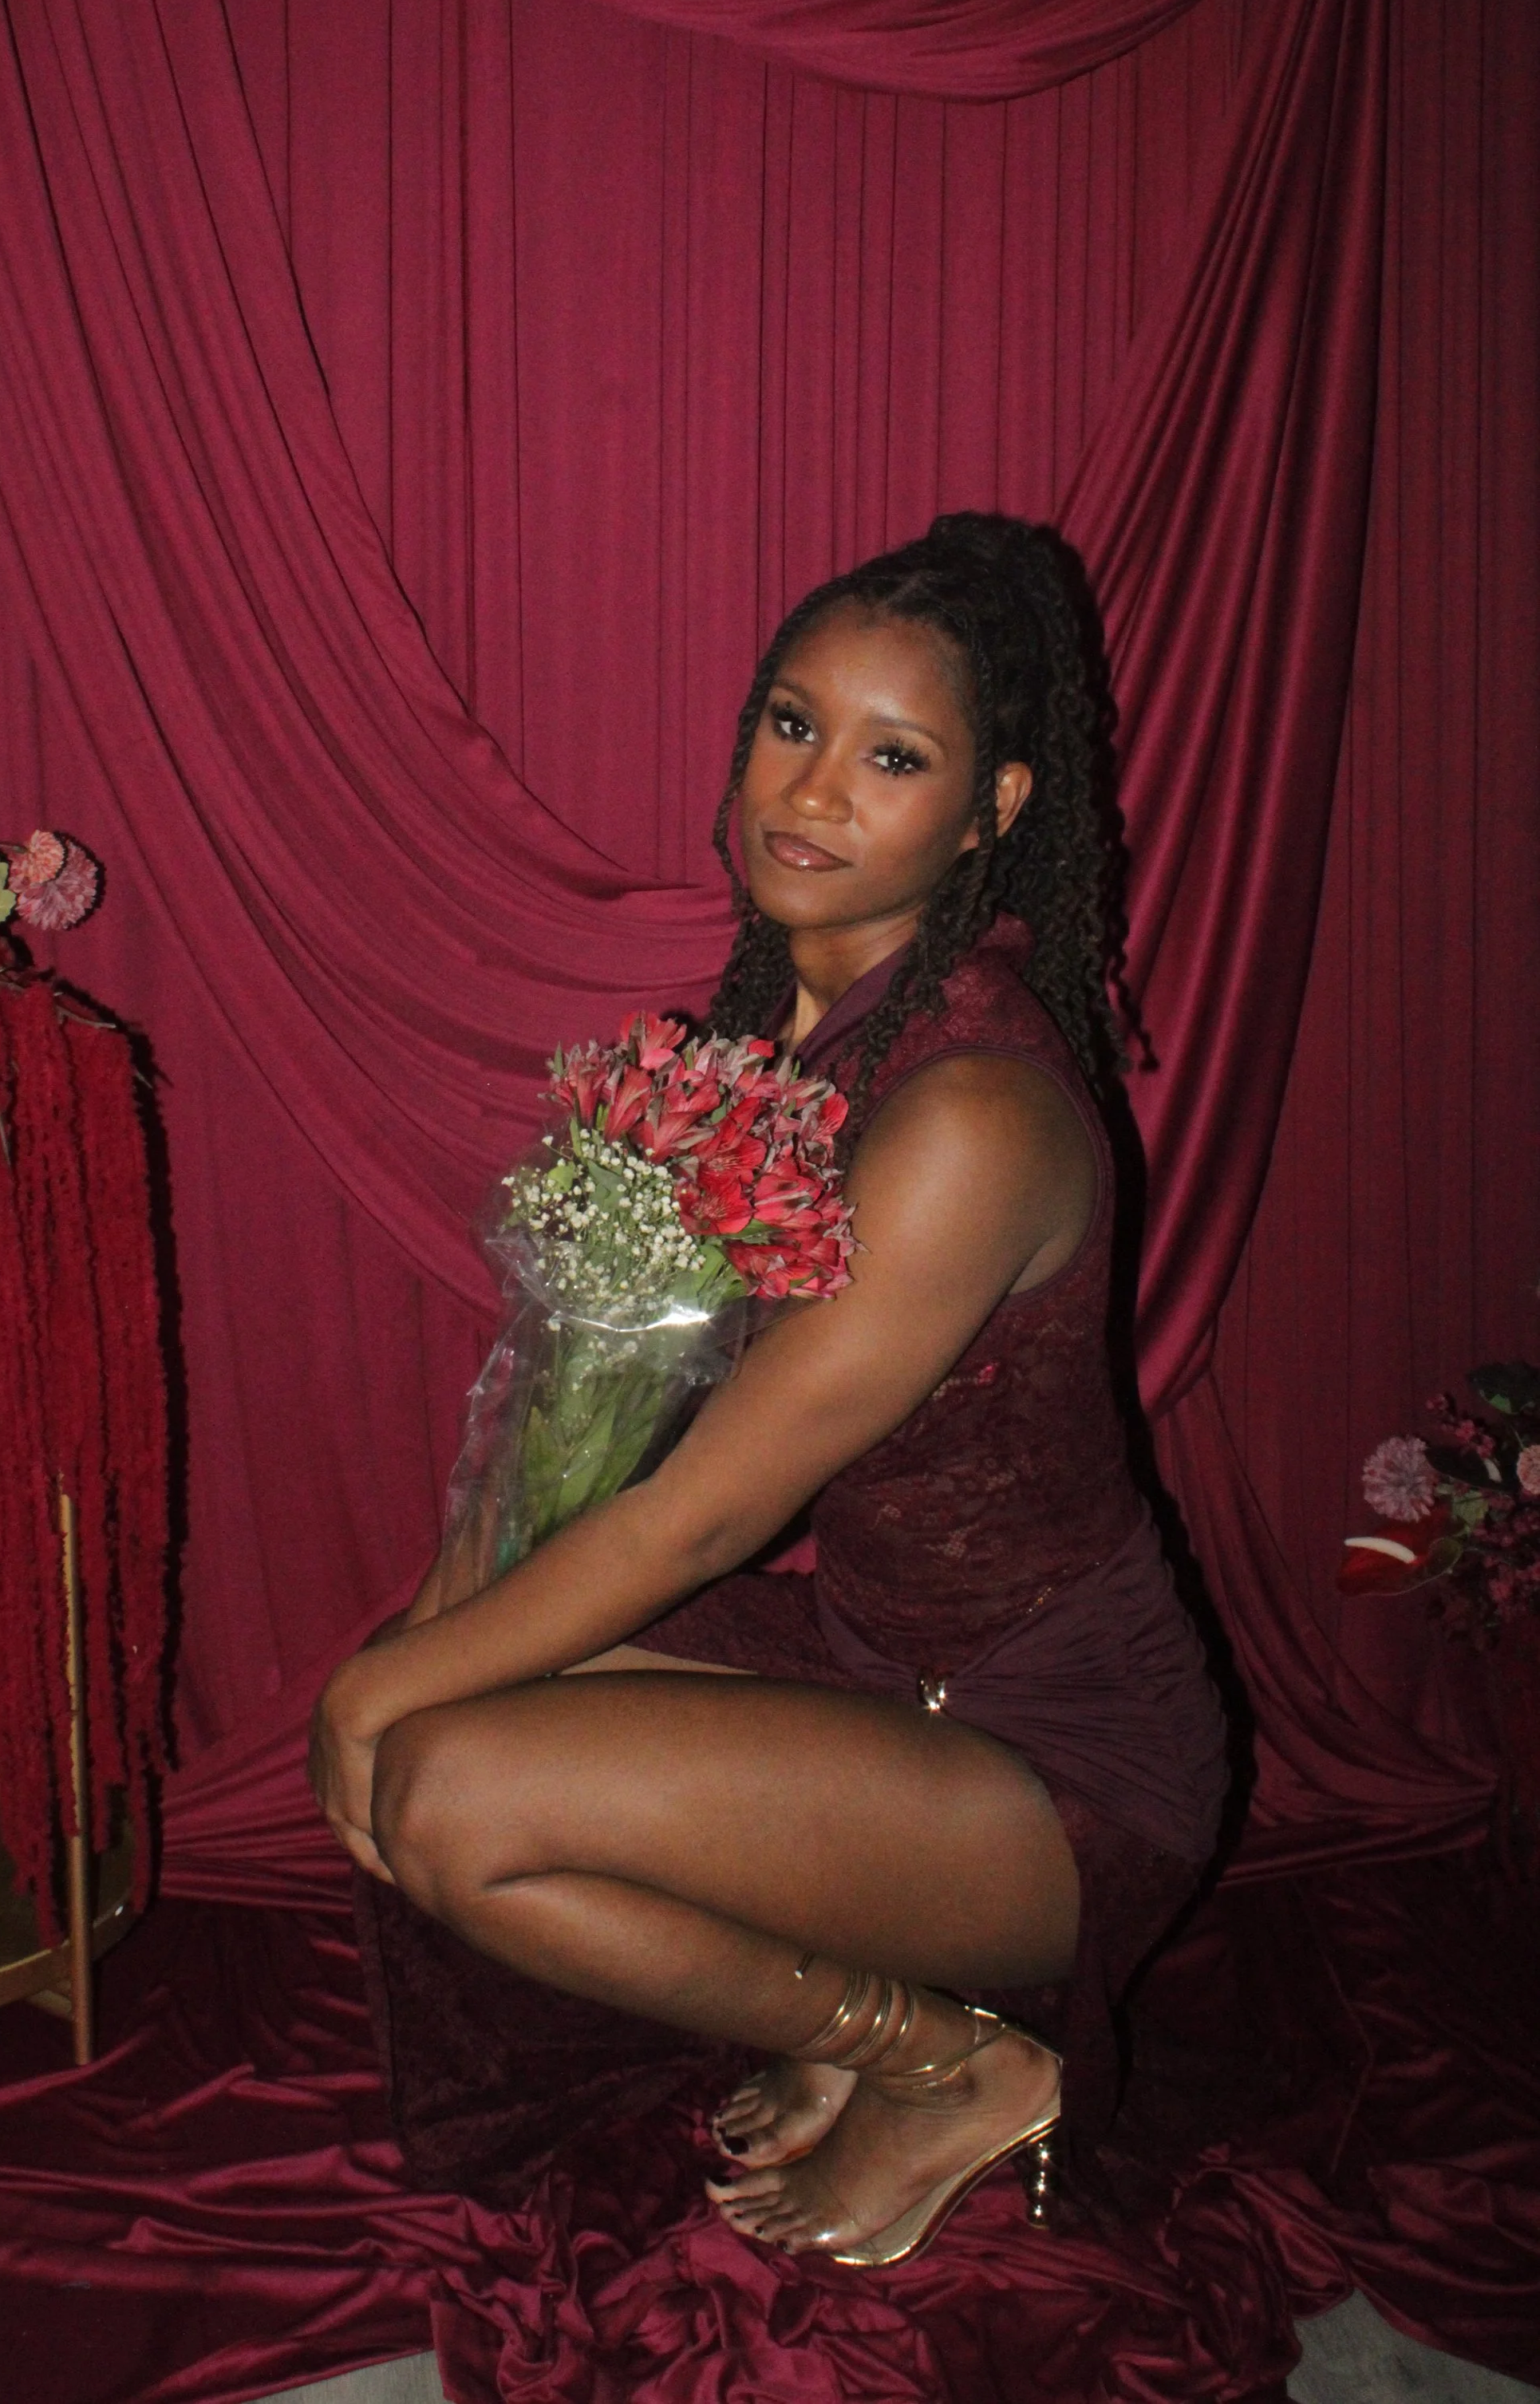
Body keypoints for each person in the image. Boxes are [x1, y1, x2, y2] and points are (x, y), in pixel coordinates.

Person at [310, 513, 1226, 2265]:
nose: (811, 790)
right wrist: (420, 1629)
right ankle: (849, 2012)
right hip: (882, 1669)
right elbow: (605, 1422)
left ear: (993, 812)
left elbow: (710, 1506)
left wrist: (382, 1695)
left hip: (1055, 1762)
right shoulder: (794, 1036)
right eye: (791, 724)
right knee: (423, 1696)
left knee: (444, 1789)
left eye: (893, 757)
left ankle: (942, 2059)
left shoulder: (964, 1112)